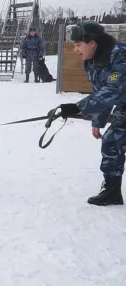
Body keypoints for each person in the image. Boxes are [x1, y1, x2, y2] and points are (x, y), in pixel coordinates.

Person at [54, 20, 126, 206]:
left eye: (78, 45)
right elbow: (101, 92)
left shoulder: (120, 56)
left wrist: (79, 107)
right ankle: (112, 191)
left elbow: (114, 90)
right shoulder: (93, 61)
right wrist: (97, 121)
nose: (75, 50)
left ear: (92, 43)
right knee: (111, 141)